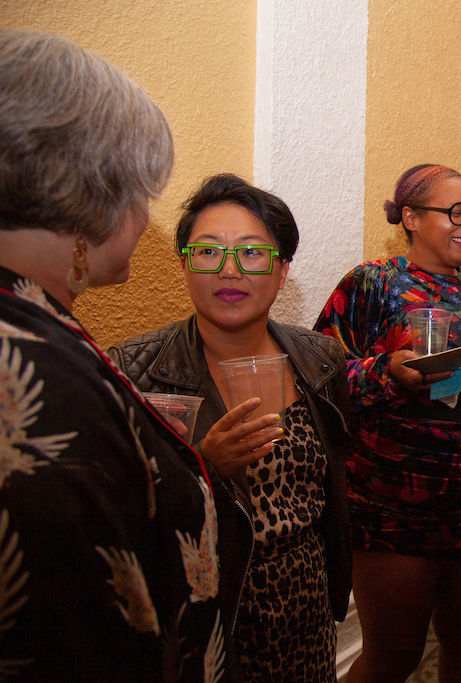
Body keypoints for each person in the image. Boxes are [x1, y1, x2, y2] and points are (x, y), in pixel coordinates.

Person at [0, 29, 242, 679]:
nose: (142, 219)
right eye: (142, 194)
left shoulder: (33, 326)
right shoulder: (33, 380)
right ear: (91, 187)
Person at [108, 174, 353, 680]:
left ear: (282, 271)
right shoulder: (133, 371)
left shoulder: (321, 359)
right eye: (208, 252)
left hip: (305, 617)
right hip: (207, 623)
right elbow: (115, 519)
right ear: (184, 265)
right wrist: (203, 467)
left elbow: (333, 489)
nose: (229, 270)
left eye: (252, 253)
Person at [313, 164, 461, 683]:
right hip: (394, 508)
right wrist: (387, 373)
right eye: (455, 213)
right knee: (394, 657)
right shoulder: (372, 283)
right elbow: (321, 380)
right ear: (412, 217)